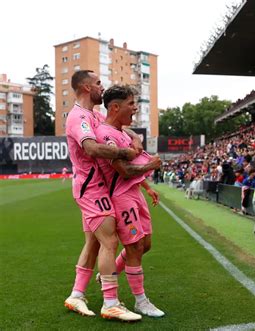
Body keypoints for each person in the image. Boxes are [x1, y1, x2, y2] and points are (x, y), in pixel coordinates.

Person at [64, 70, 141, 321]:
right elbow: (91, 148)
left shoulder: (93, 115)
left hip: (95, 187)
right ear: (86, 88)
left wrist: (133, 135)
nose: (102, 87)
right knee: (110, 242)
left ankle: (76, 295)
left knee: (94, 243)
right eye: (98, 83)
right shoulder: (78, 118)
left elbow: (113, 124)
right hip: (92, 188)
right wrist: (124, 153)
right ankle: (110, 303)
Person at [94, 85, 164, 317]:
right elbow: (123, 170)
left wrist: (147, 186)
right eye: (131, 104)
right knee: (134, 247)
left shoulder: (122, 132)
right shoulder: (106, 135)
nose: (135, 108)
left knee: (146, 245)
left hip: (135, 192)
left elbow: (131, 167)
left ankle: (109, 269)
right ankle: (140, 301)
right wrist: (151, 166)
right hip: (122, 197)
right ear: (115, 107)